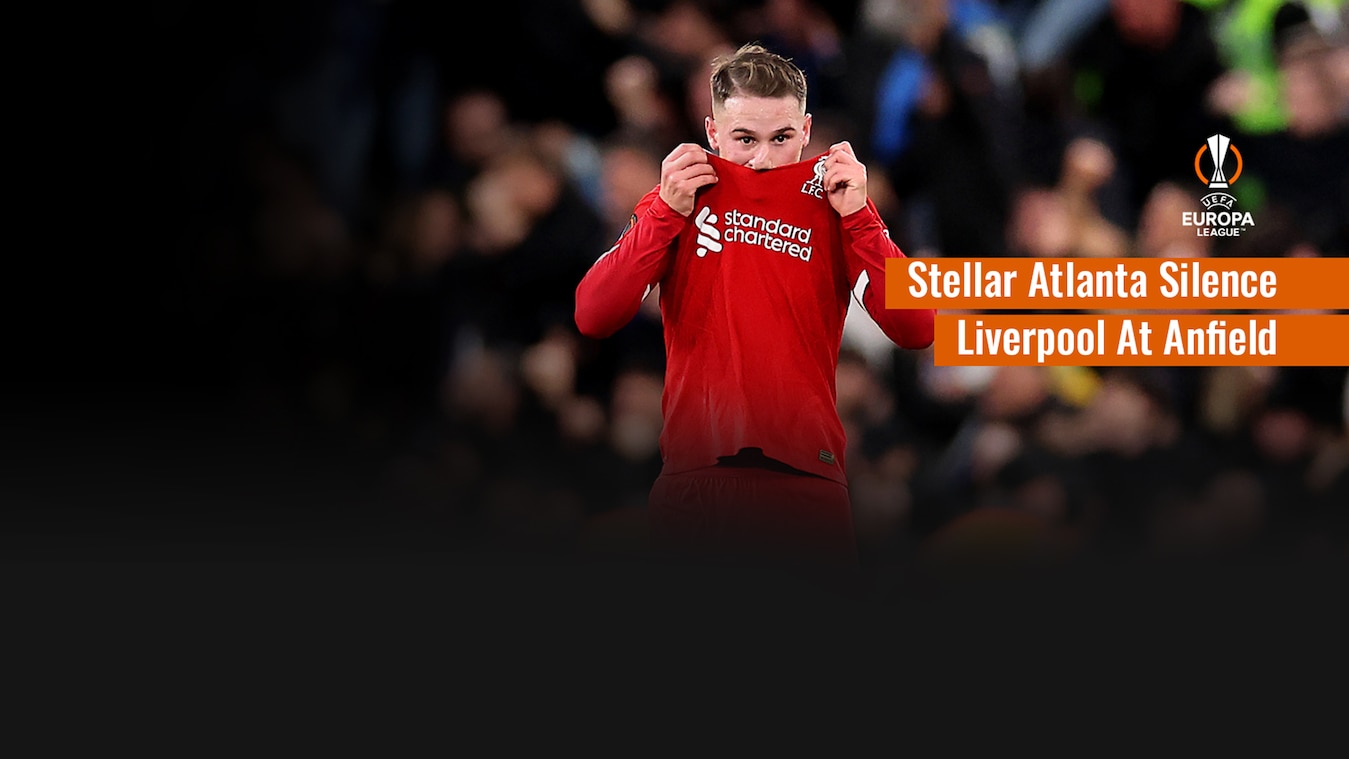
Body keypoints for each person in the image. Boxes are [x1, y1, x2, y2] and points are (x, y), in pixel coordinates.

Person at [574, 43, 935, 568]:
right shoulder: (680, 196)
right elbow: (593, 315)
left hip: (806, 486)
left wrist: (861, 218)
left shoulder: (838, 202)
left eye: (781, 138)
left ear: (806, 131)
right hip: (697, 481)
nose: (762, 158)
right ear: (713, 131)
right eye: (745, 138)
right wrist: (663, 214)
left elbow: (919, 328)